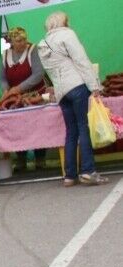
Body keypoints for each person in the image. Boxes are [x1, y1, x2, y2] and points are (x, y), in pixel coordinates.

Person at [37, 12, 106, 187]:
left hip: (61, 92)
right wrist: (95, 87)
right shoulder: (67, 35)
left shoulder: (42, 44)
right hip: (77, 86)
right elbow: (81, 61)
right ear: (64, 22)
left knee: (71, 132)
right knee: (84, 127)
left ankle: (69, 175)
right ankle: (88, 171)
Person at [0, 27, 48, 173]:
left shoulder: (33, 50)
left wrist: (18, 88)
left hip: (35, 96)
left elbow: (38, 74)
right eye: (18, 41)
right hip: (16, 100)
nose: (22, 43)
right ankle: (20, 159)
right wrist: (6, 91)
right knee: (18, 129)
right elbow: (2, 78)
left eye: (24, 39)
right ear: (11, 42)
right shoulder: (5, 55)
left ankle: (40, 158)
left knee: (39, 127)